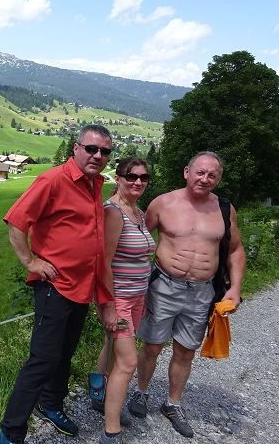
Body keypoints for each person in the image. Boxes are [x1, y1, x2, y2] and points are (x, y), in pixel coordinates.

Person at [0, 124, 115, 444]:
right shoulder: (53, 180)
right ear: (76, 148)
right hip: (55, 285)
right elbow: (16, 221)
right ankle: (11, 431)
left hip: (82, 285)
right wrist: (31, 262)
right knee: (43, 359)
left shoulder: (95, 183)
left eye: (105, 151)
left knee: (64, 353)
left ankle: (50, 405)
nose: (98, 155)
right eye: (91, 148)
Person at [127, 151, 246, 438]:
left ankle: (173, 403)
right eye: (200, 172)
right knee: (152, 345)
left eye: (212, 175)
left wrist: (235, 288)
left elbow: (235, 250)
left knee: (185, 351)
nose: (205, 179)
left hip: (203, 291)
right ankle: (141, 392)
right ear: (186, 172)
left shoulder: (224, 209)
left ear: (218, 179)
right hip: (164, 286)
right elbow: (135, 238)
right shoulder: (163, 203)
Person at [93, 157, 156, 444]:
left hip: (137, 296)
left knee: (114, 350)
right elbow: (103, 262)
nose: (138, 182)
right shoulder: (114, 212)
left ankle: (101, 397)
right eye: (131, 176)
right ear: (118, 178)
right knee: (128, 362)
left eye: (143, 177)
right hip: (118, 298)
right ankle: (111, 430)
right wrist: (107, 305)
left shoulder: (138, 212)